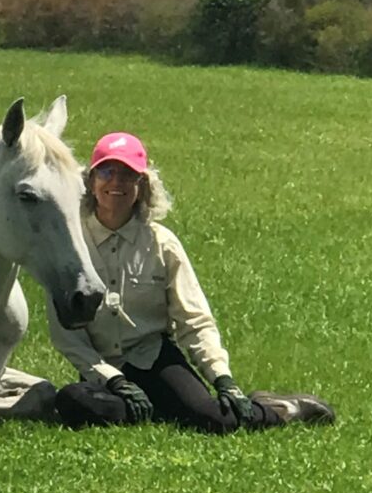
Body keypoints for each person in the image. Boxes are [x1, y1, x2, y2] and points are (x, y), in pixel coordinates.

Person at [48, 132, 335, 434]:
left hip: (153, 357)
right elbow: (67, 335)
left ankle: (280, 408)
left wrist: (222, 378)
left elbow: (194, 320)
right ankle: (154, 406)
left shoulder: (162, 244)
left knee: (216, 419)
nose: (116, 183)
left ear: (142, 186)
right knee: (73, 402)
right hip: (103, 369)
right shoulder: (69, 246)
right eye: (107, 172)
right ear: (91, 181)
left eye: (128, 175)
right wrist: (111, 378)